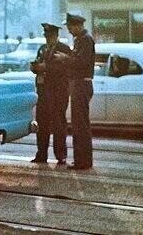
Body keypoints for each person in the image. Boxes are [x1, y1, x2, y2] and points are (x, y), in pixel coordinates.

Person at [53, 13, 95, 170]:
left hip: (81, 84)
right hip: (79, 84)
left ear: (78, 25)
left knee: (80, 125)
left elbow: (81, 62)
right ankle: (82, 160)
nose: (69, 30)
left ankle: (82, 161)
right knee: (79, 124)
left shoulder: (85, 40)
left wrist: (65, 58)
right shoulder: (81, 40)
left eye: (70, 27)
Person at [30, 22, 72, 164]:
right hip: (43, 91)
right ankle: (41, 154)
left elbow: (65, 68)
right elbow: (38, 65)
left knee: (59, 123)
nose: (48, 38)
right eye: (46, 36)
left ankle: (61, 154)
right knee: (42, 123)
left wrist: (46, 67)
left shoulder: (63, 49)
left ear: (56, 36)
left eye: (51, 36)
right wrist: (35, 67)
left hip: (58, 91)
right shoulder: (42, 49)